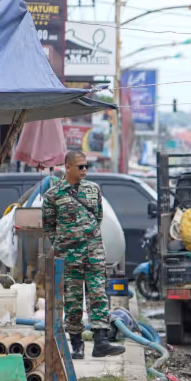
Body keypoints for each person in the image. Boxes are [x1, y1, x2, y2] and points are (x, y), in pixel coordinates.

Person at [42, 151, 124, 358]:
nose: (84, 170)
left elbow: (98, 217)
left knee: (98, 296)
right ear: (68, 167)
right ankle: (77, 344)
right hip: (70, 256)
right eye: (80, 167)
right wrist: (65, 243)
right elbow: (49, 227)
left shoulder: (93, 189)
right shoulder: (53, 195)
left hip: (94, 253)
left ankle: (101, 342)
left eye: (86, 166)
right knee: (73, 300)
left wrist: (88, 238)